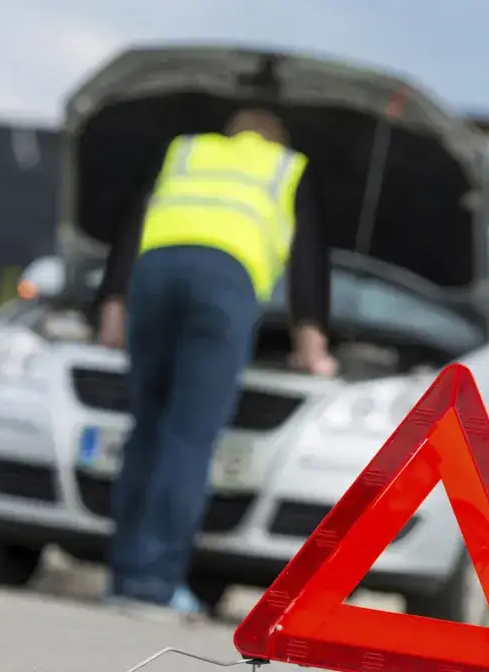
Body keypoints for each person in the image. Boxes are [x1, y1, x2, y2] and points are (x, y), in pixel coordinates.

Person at [93, 108, 337, 620]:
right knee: (188, 435)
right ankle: (154, 587)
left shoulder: (186, 151)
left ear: (229, 134)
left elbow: (132, 221)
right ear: (274, 139)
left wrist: (112, 303)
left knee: (147, 430)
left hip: (154, 274)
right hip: (222, 282)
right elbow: (307, 261)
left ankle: (122, 576)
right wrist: (311, 347)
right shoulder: (285, 167)